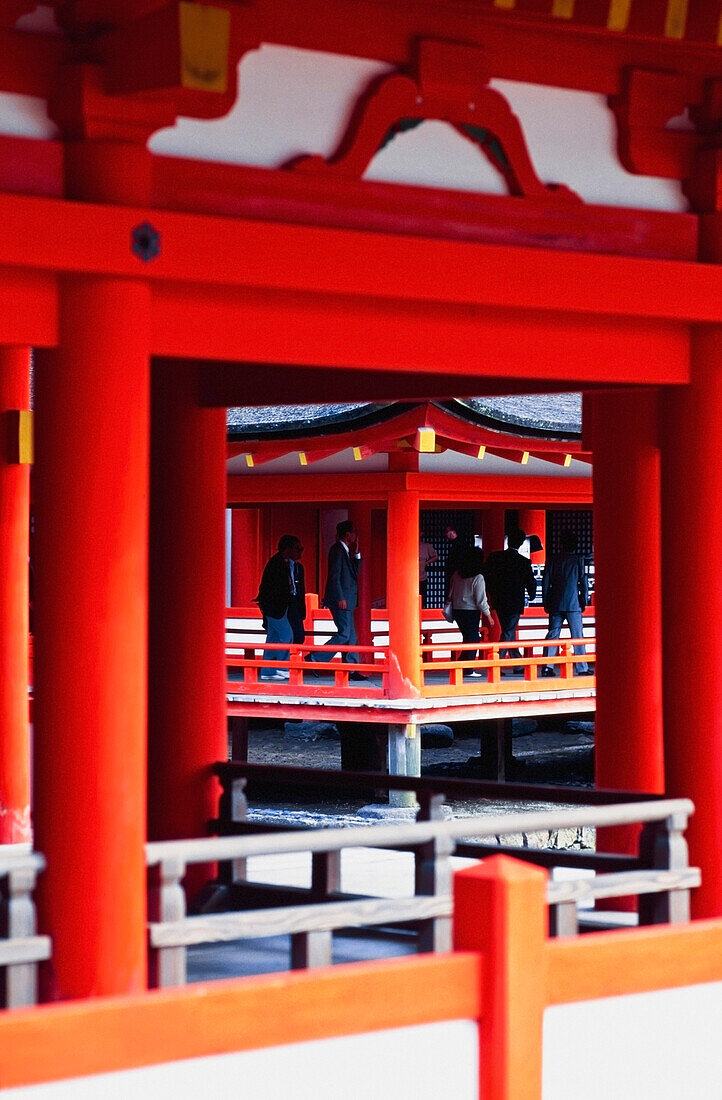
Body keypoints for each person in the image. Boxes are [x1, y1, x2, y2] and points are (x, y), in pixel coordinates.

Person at [307, 519, 368, 680]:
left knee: (352, 637)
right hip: (341, 600)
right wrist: (340, 597)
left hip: (348, 599)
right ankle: (315, 658)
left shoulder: (347, 551)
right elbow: (334, 576)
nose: (356, 536)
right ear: (347, 534)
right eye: (354, 533)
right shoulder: (337, 550)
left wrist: (357, 553)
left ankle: (351, 669)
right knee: (344, 634)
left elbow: (354, 573)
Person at [483, 528, 536, 666]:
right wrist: (532, 594)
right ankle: (497, 661)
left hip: (499, 598)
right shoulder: (523, 562)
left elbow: (485, 576)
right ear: (521, 543)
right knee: (508, 631)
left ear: (508, 540)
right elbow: (530, 580)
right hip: (515, 600)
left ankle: (517, 663)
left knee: (508, 629)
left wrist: (490, 591)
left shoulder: (495, 557)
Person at [255, 534, 305, 681]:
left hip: (287, 606)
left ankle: (268, 670)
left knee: (273, 638)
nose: (300, 552)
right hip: (275, 606)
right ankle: (281, 667)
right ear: (288, 548)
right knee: (286, 635)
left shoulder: (295, 566)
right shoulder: (275, 564)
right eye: (298, 549)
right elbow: (266, 588)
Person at [541, 530, 590, 676]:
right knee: (577, 634)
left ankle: (547, 666)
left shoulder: (552, 560)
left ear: (560, 544)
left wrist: (545, 601)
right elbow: (583, 582)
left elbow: (545, 582)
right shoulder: (578, 560)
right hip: (573, 603)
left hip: (555, 602)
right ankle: (582, 667)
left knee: (553, 633)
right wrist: (584, 600)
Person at [448, 547, 491, 678]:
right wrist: (488, 616)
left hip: (458, 610)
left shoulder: (457, 574)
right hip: (471, 611)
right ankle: (467, 668)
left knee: (468, 637)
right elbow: (481, 600)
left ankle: (462, 664)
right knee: (473, 639)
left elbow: (451, 592)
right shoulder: (478, 577)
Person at [444, 525, 466, 597]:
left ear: (452, 532)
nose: (446, 534)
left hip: (456, 570)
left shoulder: (459, 544)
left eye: (447, 532)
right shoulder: (459, 543)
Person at [419, 535, 439, 608]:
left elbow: (436, 557)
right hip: (409, 576)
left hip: (422, 576)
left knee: (422, 598)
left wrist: (426, 563)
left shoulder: (426, 546)